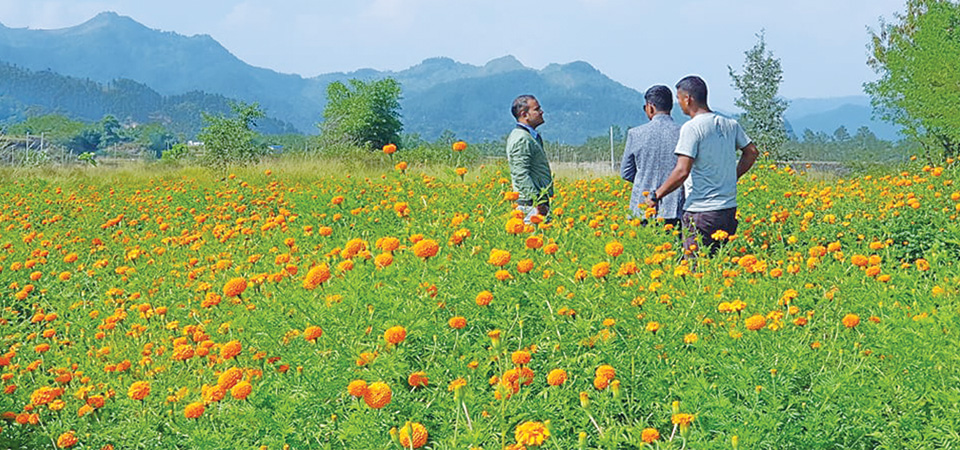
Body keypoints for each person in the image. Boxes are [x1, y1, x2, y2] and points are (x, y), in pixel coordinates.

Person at [645, 75, 759, 255]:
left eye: (679, 99)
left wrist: (656, 195)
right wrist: (733, 176)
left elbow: (682, 171)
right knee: (721, 265)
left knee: (695, 271)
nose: (679, 104)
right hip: (728, 209)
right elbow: (752, 152)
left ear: (688, 99)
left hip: (701, 212)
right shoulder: (730, 124)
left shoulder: (692, 128)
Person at [621, 85, 683, 226]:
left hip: (643, 209)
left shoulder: (635, 134)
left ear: (650, 107)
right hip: (674, 209)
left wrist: (644, 179)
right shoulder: (684, 133)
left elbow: (626, 172)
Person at [506, 95, 554, 223]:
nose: (541, 112)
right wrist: (538, 202)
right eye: (537, 109)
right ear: (524, 114)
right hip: (530, 207)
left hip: (535, 204)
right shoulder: (521, 138)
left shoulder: (529, 136)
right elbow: (520, 174)